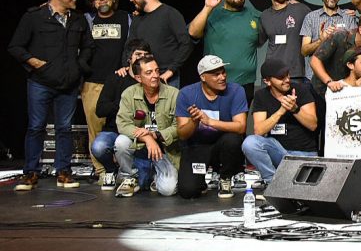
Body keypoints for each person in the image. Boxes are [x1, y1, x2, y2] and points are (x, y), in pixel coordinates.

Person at [9, 0, 95, 191]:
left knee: (64, 128)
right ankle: (31, 173)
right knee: (36, 127)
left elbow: (88, 46)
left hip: (68, 84)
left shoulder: (78, 19)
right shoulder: (34, 17)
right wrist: (34, 62)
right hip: (40, 82)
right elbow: (16, 46)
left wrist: (79, 66)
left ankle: (63, 171)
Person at [175, 55, 247, 199]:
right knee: (188, 191)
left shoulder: (236, 91)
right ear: (203, 77)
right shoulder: (186, 94)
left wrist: (209, 121)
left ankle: (225, 177)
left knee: (233, 139)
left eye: (223, 72)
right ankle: (200, 180)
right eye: (216, 74)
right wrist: (194, 122)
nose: (222, 77)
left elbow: (241, 127)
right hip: (197, 147)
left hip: (222, 146)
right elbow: (182, 134)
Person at [113, 54, 180, 197]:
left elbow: (178, 126)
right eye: (149, 73)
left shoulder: (174, 94)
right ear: (138, 78)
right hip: (139, 147)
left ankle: (153, 176)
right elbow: (123, 124)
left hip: (164, 149)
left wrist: (155, 136)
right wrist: (147, 138)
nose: (155, 75)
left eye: (157, 70)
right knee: (121, 142)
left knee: (168, 190)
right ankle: (129, 176)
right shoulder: (129, 94)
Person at [82, 0, 131, 177]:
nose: (101, 0)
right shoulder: (87, 20)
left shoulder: (126, 18)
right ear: (92, 2)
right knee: (95, 129)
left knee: (122, 127)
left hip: (120, 82)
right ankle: (102, 171)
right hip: (93, 82)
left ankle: (125, 170)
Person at [242, 59, 318, 184]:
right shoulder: (261, 95)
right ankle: (272, 182)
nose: (287, 80)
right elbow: (259, 131)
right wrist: (281, 111)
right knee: (250, 143)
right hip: (279, 153)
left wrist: (295, 109)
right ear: (267, 81)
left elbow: (313, 125)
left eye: (287, 75)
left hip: (304, 154)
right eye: (281, 77)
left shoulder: (301, 90)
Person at [188, 0, 263, 102]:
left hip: (245, 83)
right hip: (215, 81)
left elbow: (263, 38)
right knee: (214, 114)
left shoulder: (254, 15)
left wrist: (289, 6)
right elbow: (193, 32)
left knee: (241, 115)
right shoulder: (212, 14)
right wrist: (207, 8)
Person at [92, 40, 152, 191]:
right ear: (129, 58)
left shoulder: (151, 80)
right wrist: (124, 104)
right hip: (115, 130)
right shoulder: (116, 78)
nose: (142, 58)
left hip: (140, 131)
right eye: (138, 54)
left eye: (146, 55)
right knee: (99, 147)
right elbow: (100, 110)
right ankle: (112, 170)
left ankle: (132, 174)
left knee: (144, 183)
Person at [124, 0, 191, 88]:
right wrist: (125, 65)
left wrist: (171, 70)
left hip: (165, 78)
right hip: (140, 77)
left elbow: (186, 44)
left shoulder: (170, 14)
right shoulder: (137, 18)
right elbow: (129, 45)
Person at [310, 12, 361, 94]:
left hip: (351, 95)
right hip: (322, 91)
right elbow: (315, 60)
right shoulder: (340, 36)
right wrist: (329, 82)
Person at [299, 0, 357, 82]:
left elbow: (355, 49)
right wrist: (321, 40)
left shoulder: (348, 17)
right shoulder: (310, 17)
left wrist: (340, 37)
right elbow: (304, 51)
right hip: (314, 78)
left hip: (341, 78)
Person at [259, 0, 310, 86]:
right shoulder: (264, 16)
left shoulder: (300, 9)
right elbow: (258, 42)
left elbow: (318, 19)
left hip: (294, 74)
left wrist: (344, 13)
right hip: (271, 74)